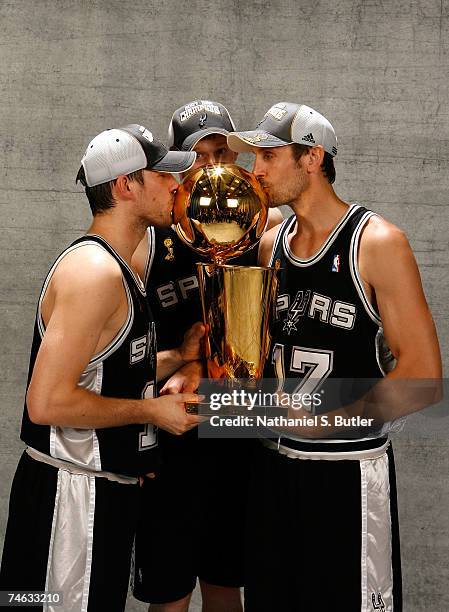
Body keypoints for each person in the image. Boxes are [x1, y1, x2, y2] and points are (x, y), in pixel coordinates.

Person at [227, 102, 442, 611]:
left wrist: (332, 420)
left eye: (268, 156)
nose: (255, 170)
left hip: (345, 473)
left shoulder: (377, 242)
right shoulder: (270, 246)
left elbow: (424, 376)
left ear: (312, 158)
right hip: (274, 470)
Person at [0, 124, 204, 612]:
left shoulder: (120, 267)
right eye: (162, 176)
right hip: (69, 501)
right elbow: (47, 402)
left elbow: (102, 373)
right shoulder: (94, 272)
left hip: (99, 492)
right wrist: (153, 414)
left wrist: (178, 357)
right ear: (124, 186)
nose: (177, 185)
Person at [132, 100, 282, 612]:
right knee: (170, 591)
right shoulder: (148, 236)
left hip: (235, 429)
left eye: (224, 153)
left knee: (225, 584)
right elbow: (119, 349)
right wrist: (184, 361)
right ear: (177, 167)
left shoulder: (258, 227)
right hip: (172, 435)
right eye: (201, 157)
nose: (215, 166)